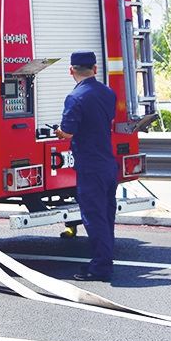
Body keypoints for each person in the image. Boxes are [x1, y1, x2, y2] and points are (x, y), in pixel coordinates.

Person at [54, 51, 118, 281]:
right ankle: (105, 260)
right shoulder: (108, 93)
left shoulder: (75, 98)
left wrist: (59, 132)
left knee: (93, 216)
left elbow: (68, 132)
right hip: (108, 163)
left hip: (90, 166)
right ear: (95, 69)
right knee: (107, 215)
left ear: (71, 70)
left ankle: (101, 267)